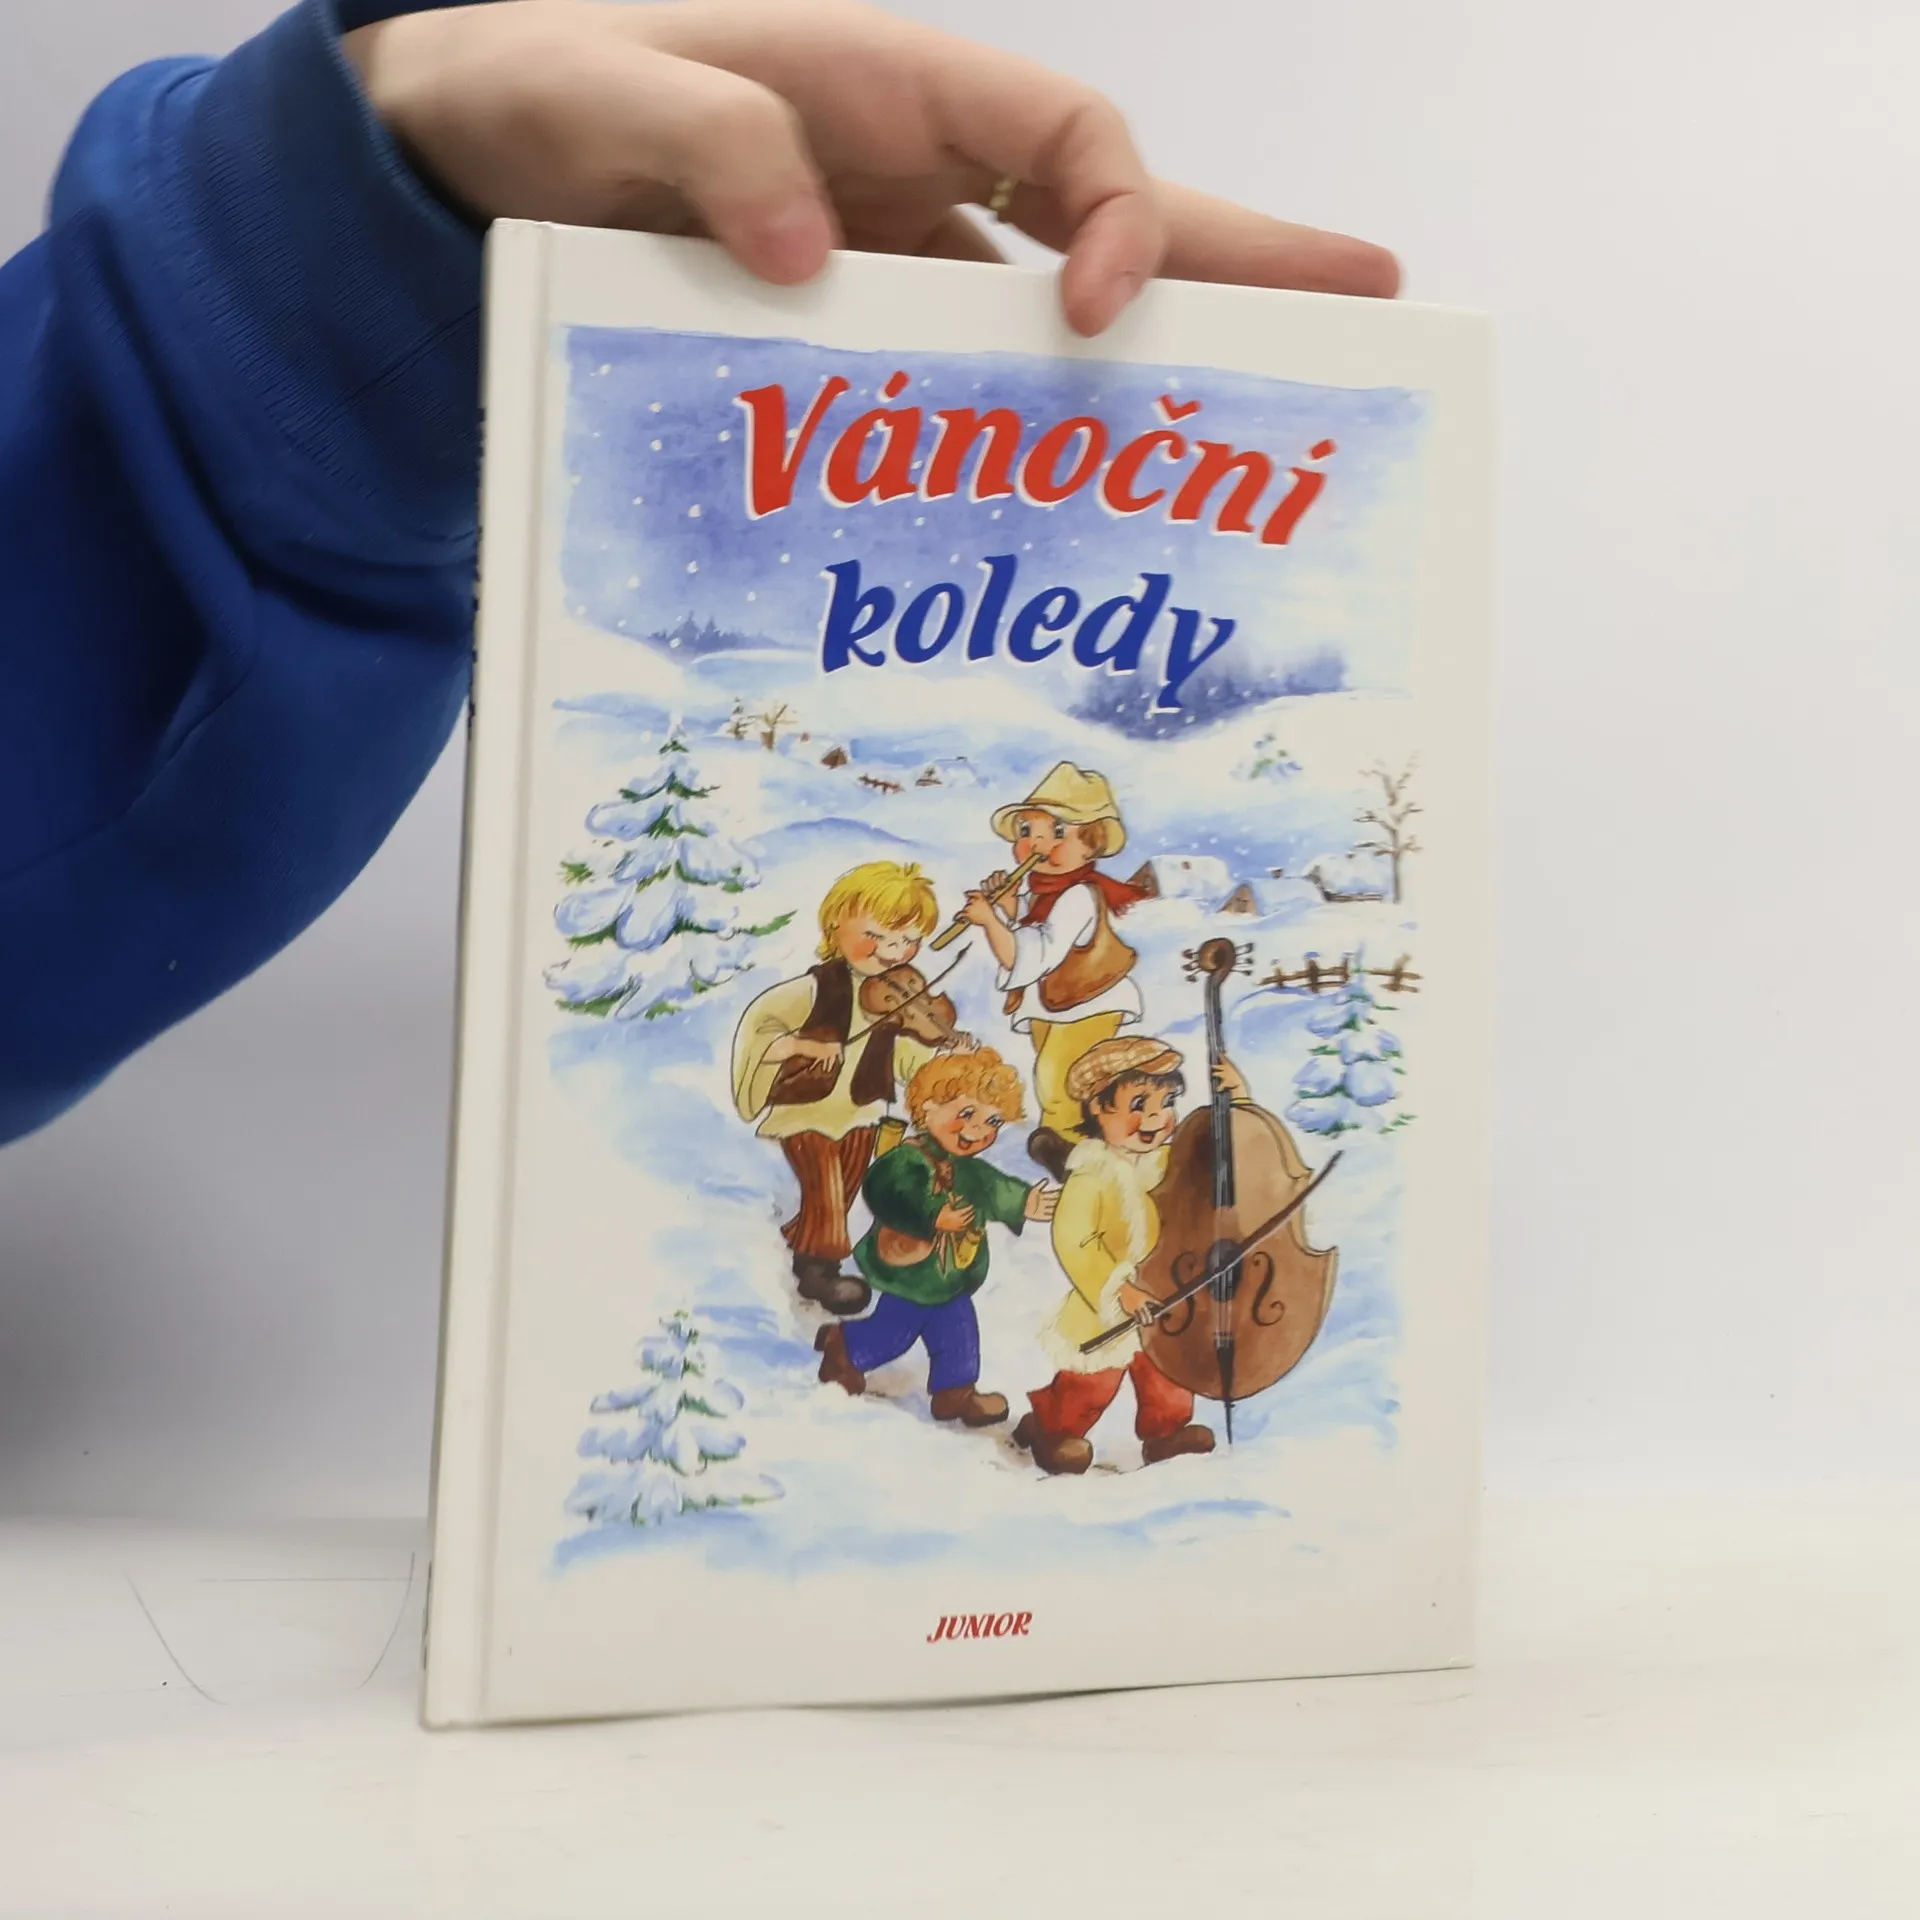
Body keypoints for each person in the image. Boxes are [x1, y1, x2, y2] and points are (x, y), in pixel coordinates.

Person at [0, 0, 1398, 1148]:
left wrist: (326, 259)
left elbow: (1049, 970)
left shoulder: (1077, 908)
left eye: (1046, 834)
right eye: (1029, 830)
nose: (1031, 847)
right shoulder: (936, 936)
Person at [1013, 1034, 1242, 1475]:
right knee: (1091, 1383)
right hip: (1107, 1307)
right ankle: (1049, 1429)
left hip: (1162, 1295)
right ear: (1099, 1108)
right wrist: (1121, 1290)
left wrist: (1236, 1101)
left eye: (1165, 1102)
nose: (1155, 1118)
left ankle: (1166, 1434)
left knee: (1168, 1374)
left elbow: (1217, 1161)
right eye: (1139, 1104)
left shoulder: (1166, 1162)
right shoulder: (1090, 1176)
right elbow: (1076, 1242)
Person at [730, 860, 946, 1316]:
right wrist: (802, 1044)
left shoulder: (897, 997)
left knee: (841, 1193)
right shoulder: (810, 990)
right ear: (836, 926)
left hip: (862, 1113)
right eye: (878, 936)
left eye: (908, 940)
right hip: (806, 1113)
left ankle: (800, 1239)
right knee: (826, 1189)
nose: (892, 951)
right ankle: (819, 1271)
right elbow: (760, 1035)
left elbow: (905, 1058)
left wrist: (943, 1057)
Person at [815, 1046, 1056, 1429]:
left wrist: (1026, 1201)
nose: (979, 1130)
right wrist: (933, 1214)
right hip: (912, 1277)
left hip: (951, 1278)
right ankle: (844, 1348)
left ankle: (955, 1392)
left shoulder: (970, 1170)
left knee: (958, 1334)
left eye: (993, 1121)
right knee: (893, 1334)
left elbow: (995, 1188)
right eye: (967, 1114)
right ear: (928, 1109)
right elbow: (887, 1189)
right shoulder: (908, 1159)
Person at [961, 763, 1148, 1179]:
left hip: (1088, 1004)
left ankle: (1078, 1160)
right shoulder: (1045, 892)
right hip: (1055, 1005)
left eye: (1058, 831)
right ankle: (1068, 1150)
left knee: (1061, 1082)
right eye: (1027, 830)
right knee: (1055, 1080)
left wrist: (990, 921)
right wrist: (1008, 909)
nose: (1037, 843)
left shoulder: (1078, 896)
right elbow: (1028, 933)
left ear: (1091, 845)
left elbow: (1034, 954)